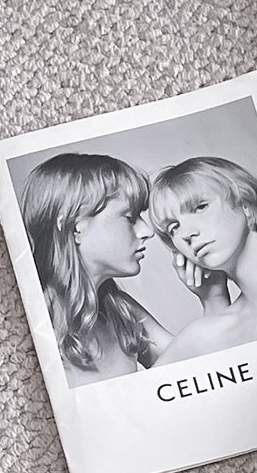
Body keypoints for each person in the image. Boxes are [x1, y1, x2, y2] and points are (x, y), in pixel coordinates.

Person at [20, 152, 222, 388]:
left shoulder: (121, 312)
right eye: (130, 217)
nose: (147, 231)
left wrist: (213, 298)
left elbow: (202, 372)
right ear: (75, 226)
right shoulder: (31, 321)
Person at [149, 156, 257, 361]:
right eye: (174, 227)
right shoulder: (202, 334)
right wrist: (213, 300)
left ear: (246, 205)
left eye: (200, 207)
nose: (186, 233)